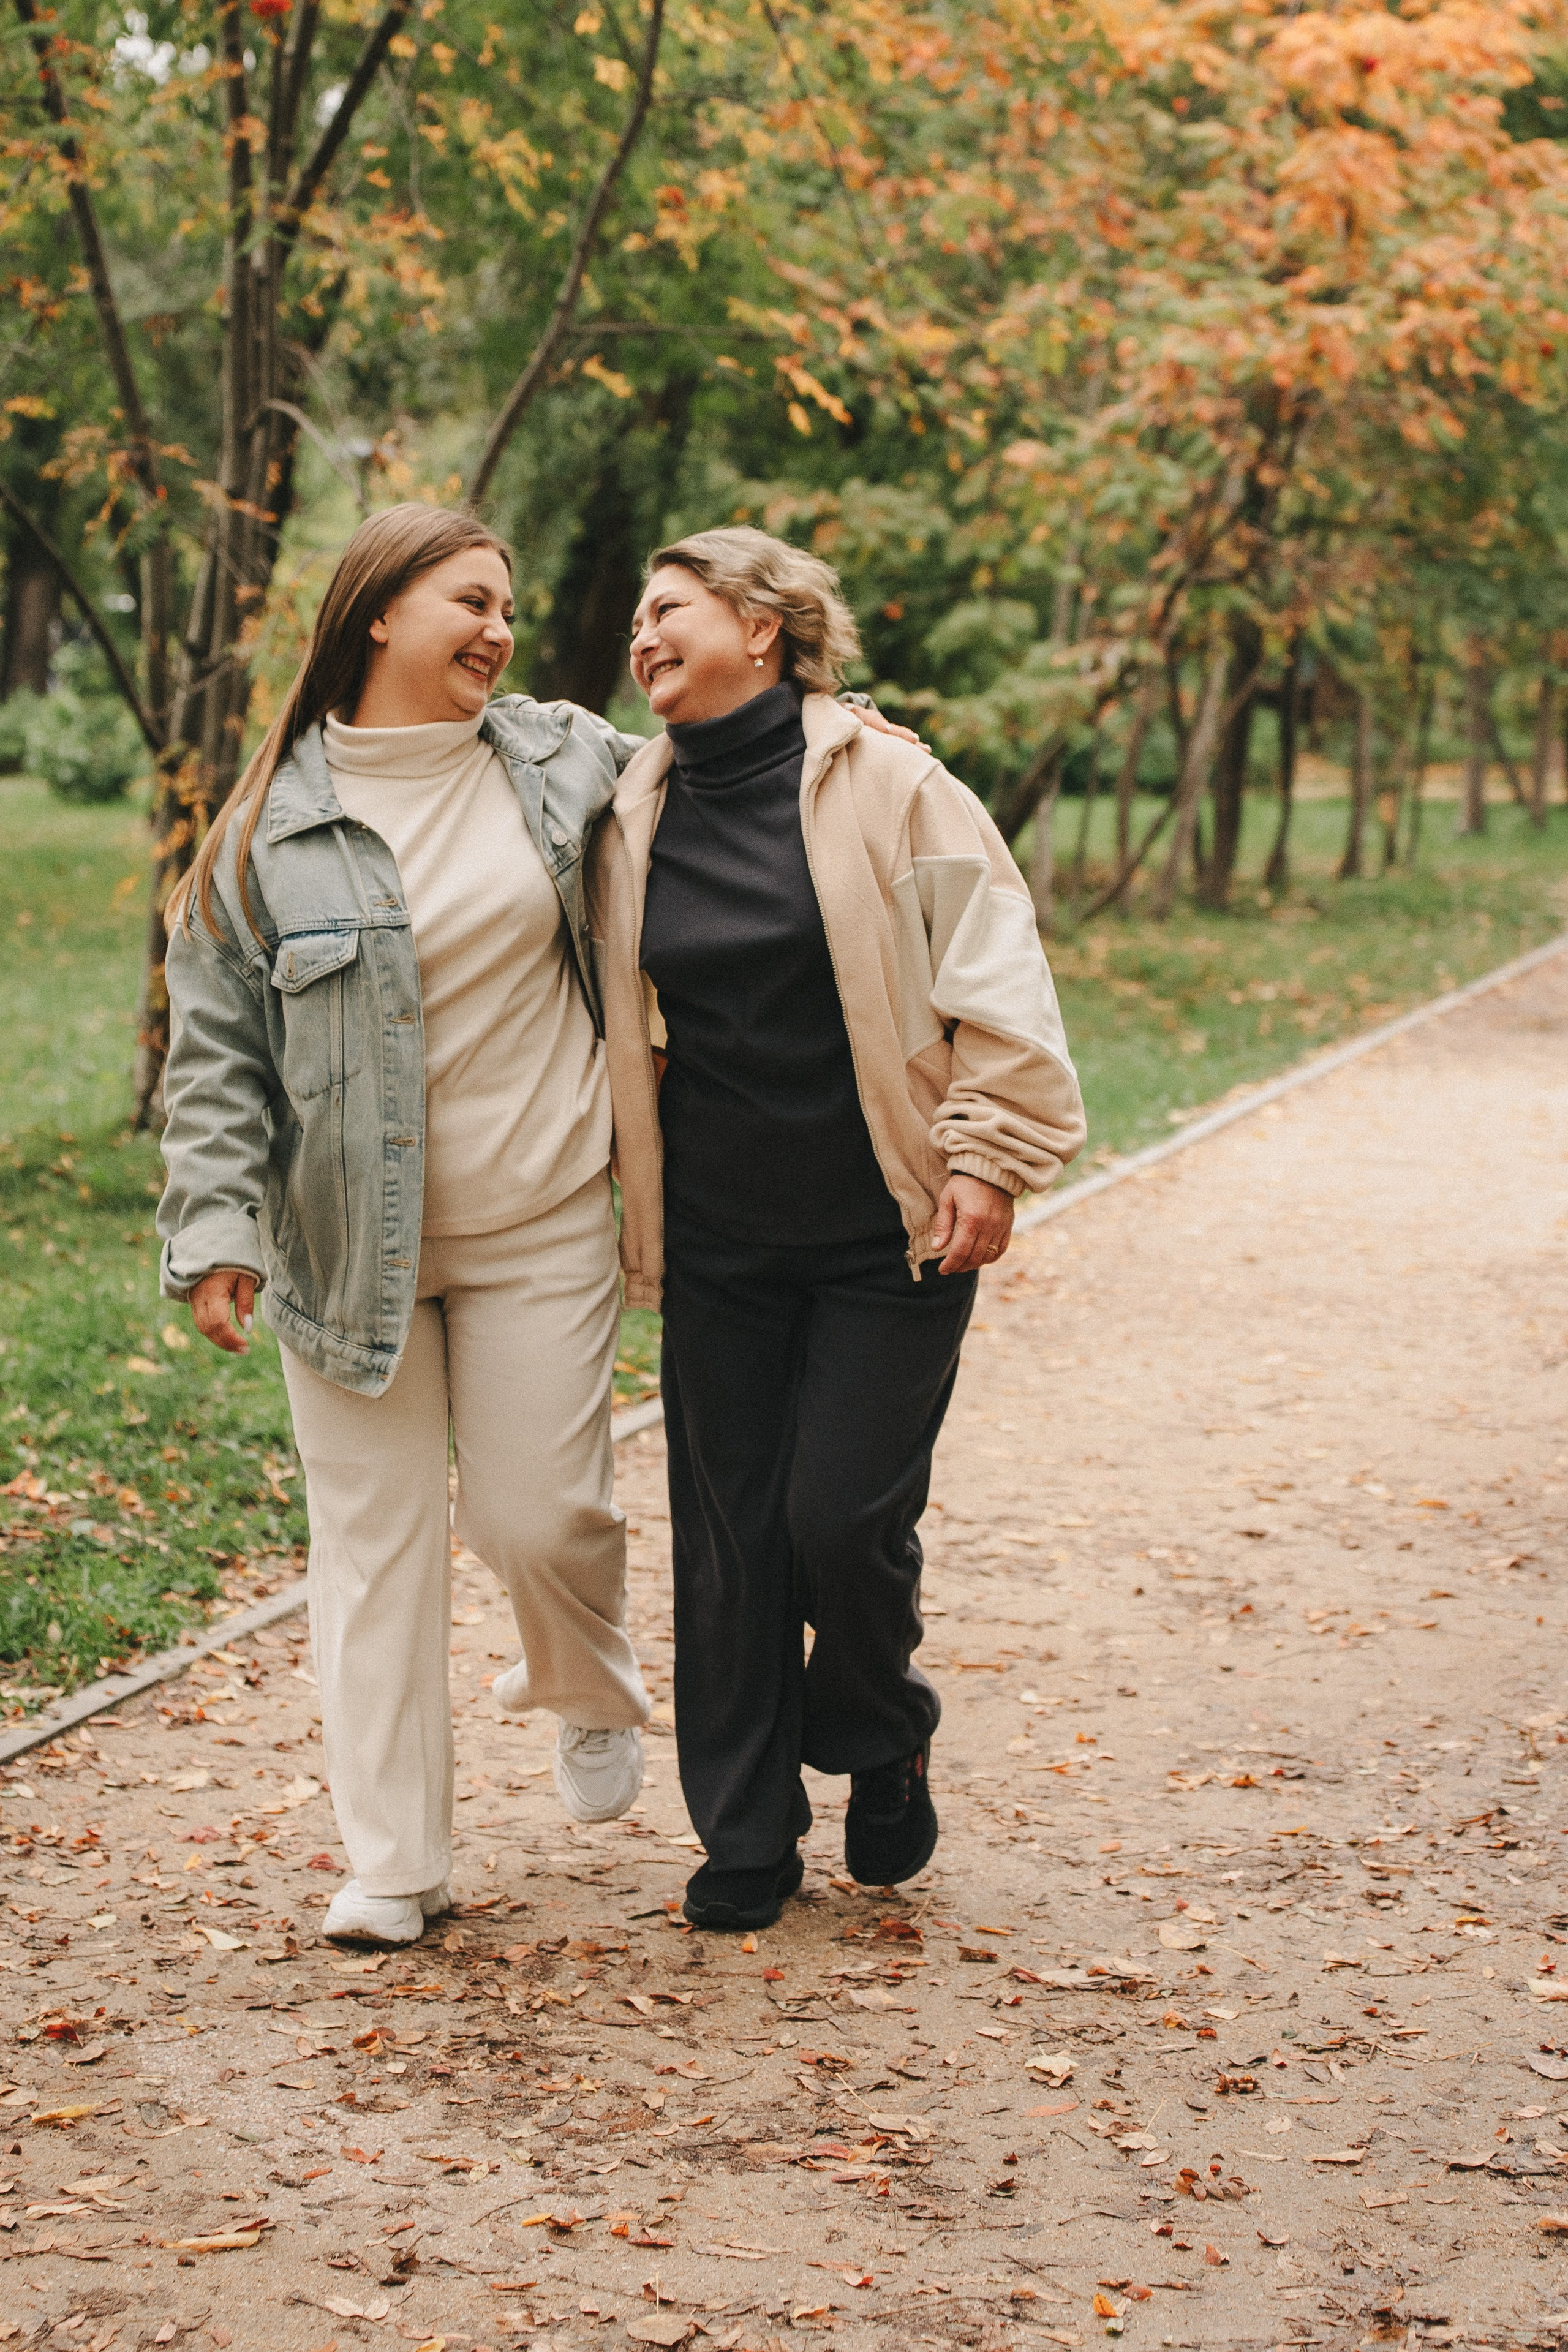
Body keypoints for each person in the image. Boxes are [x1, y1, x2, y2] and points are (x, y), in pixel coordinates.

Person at [157, 503, 655, 1946]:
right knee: (370, 1548)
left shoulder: (562, 758)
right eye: (471, 598)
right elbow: (214, 1061)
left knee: (537, 1512)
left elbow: (727, 765)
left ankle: (584, 1683)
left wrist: (832, 715)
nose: (499, 628)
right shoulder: (263, 836)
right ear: (379, 611)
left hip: (541, 1213)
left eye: (507, 604)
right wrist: (217, 1230)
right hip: (339, 1247)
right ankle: (396, 1861)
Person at [589, 526, 1087, 1933]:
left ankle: (880, 1723)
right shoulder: (629, 807)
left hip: (889, 1221)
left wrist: (988, 1158)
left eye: (667, 608)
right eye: (635, 619)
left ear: (763, 623)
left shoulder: (896, 787)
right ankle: (744, 1831)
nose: (641, 637)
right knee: (730, 1540)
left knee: (838, 1519)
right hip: (719, 1235)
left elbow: (991, 968)